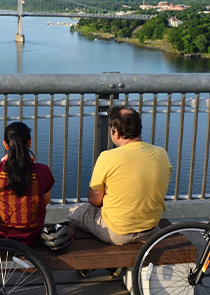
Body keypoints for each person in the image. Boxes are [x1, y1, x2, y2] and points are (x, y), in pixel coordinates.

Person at [68, 105, 172, 246]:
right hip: (151, 230)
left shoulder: (108, 157)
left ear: (115, 133)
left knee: (74, 212)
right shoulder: (162, 154)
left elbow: (95, 200)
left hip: (117, 233)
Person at [0, 122, 55, 246]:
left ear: (5, 144)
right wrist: (34, 166)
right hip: (32, 240)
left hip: (0, 239)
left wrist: (2, 165)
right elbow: (44, 201)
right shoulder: (43, 172)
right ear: (29, 143)